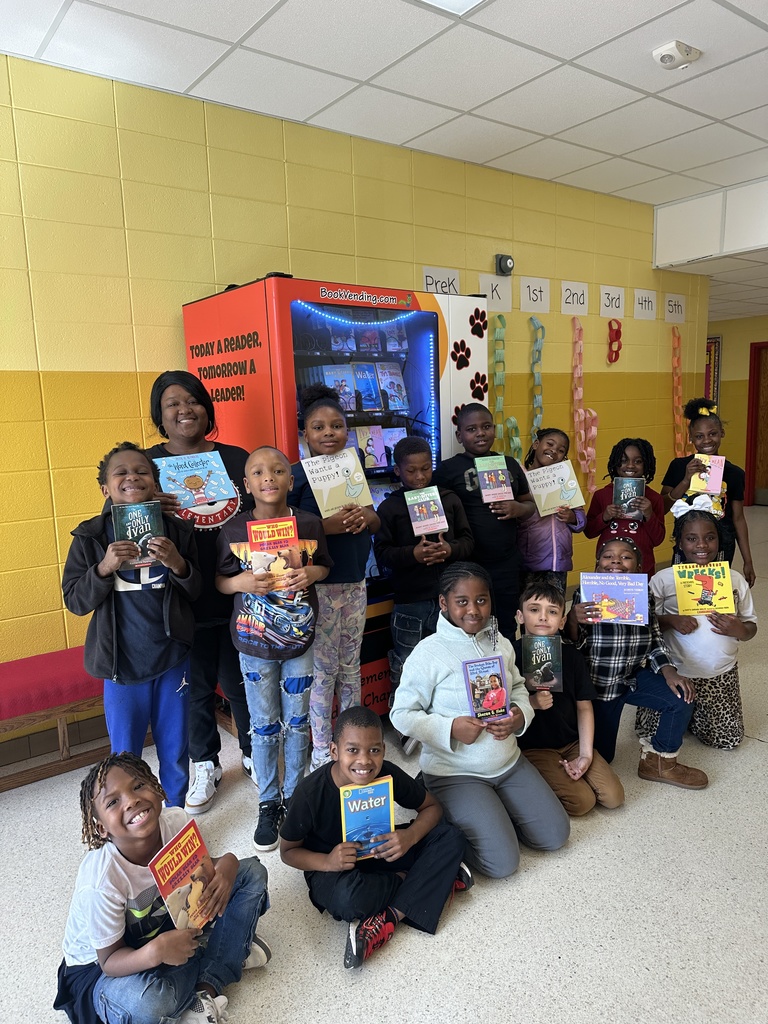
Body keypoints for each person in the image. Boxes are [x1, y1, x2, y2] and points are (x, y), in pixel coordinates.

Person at [54, 753, 270, 1024]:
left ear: (157, 789)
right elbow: (110, 960)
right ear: (101, 829)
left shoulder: (176, 821)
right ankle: (224, 951)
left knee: (251, 873)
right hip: (104, 967)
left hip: (164, 925)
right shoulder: (101, 880)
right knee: (148, 1003)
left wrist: (228, 863)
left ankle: (206, 988)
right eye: (113, 802)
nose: (131, 800)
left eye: (138, 786)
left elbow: (200, 871)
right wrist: (155, 952)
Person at [390, 562, 570, 879]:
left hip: (508, 763)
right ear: (444, 603)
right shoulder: (427, 653)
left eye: (482, 600)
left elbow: (516, 688)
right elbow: (401, 715)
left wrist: (519, 715)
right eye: (462, 601)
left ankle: (491, 811)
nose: (474, 610)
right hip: (455, 772)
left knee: (555, 836)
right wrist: (450, 728)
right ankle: (443, 817)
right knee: (502, 864)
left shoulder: (500, 643)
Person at [62, 442, 200, 808]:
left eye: (142, 471)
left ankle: (175, 817)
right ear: (105, 488)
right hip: (120, 663)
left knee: (174, 748)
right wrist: (104, 568)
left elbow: (197, 589)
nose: (132, 477)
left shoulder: (177, 531)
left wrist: (178, 564)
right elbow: (75, 600)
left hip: (172, 657)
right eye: (120, 472)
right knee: (125, 755)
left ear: (155, 484)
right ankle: (135, 825)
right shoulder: (90, 537)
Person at [279, 706, 470, 969]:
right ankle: (428, 880)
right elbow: (287, 852)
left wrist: (409, 836)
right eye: (352, 750)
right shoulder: (309, 793)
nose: (365, 761)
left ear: (384, 749)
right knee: (349, 900)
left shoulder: (387, 773)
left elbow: (432, 807)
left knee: (451, 837)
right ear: (334, 751)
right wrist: (328, 861)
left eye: (374, 750)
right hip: (334, 868)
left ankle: (390, 917)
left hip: (383, 851)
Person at [146, 370, 255, 814]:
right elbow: (121, 516)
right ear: (160, 416)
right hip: (180, 598)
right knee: (194, 687)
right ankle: (205, 763)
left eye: (192, 400)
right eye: (172, 403)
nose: (183, 409)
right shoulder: (147, 465)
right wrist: (153, 505)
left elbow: (263, 510)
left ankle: (254, 751)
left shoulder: (234, 457)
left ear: (206, 408)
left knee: (244, 680)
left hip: (239, 591)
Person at [216, 446, 333, 851]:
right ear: (247, 485)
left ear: (290, 479)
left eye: (278, 470)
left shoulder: (309, 524)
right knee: (264, 725)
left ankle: (295, 795)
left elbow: (325, 566)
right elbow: (220, 581)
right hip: (253, 643)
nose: (269, 477)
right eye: (259, 472)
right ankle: (268, 801)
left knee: (297, 722)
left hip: (299, 639)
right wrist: (240, 583)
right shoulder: (232, 532)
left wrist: (309, 572)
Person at [567, 537, 708, 790]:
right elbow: (572, 647)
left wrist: (669, 671)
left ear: (639, 568)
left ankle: (660, 762)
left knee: (680, 698)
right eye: (608, 556)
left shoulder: (643, 595)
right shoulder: (584, 594)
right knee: (604, 757)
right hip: (599, 688)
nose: (616, 561)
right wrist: (573, 620)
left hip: (633, 677)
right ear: (598, 566)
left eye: (625, 557)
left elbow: (654, 637)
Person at [288, 385, 380, 770]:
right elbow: (291, 538)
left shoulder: (352, 470)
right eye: (318, 427)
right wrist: (332, 527)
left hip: (355, 584)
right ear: (304, 434)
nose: (329, 433)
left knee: (350, 666)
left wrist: (364, 518)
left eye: (337, 425)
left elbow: (374, 518)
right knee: (323, 671)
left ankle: (356, 744)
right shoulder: (294, 476)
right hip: (320, 587)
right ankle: (324, 750)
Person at [634, 505, 756, 750]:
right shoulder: (663, 579)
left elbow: (751, 627)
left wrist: (739, 629)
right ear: (680, 543)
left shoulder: (734, 579)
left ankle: (695, 717)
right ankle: (686, 714)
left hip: (719, 674)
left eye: (710, 538)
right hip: (675, 673)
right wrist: (670, 620)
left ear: (719, 540)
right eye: (691, 539)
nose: (701, 545)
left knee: (727, 741)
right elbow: (640, 625)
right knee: (651, 734)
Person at [373, 435, 474, 709]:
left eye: (426, 468)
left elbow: (468, 541)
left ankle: (446, 711)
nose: (420, 476)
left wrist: (450, 550)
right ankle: (405, 718)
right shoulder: (390, 508)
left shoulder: (449, 500)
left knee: (451, 658)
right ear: (397, 471)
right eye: (411, 470)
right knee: (407, 660)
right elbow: (382, 554)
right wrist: (412, 554)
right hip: (410, 601)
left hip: (449, 598)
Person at [513, 582, 624, 816]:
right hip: (534, 748)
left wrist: (585, 754)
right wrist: (532, 702)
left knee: (614, 798)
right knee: (581, 803)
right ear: (520, 616)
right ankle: (534, 780)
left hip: (572, 742)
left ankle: (565, 771)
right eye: (534, 610)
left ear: (562, 622)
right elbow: (502, 710)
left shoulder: (572, 657)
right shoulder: (510, 656)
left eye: (552, 611)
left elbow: (584, 707)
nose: (543, 617)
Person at [432, 404, 534, 640]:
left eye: (486, 427)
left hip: (506, 562)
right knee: (471, 624)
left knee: (506, 623)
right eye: (471, 429)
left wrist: (518, 508)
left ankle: (507, 672)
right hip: (468, 562)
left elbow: (529, 504)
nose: (480, 433)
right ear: (459, 436)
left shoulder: (508, 464)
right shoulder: (448, 469)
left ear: (494, 430)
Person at [660, 398, 755, 586]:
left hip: (721, 543)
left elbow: (738, 518)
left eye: (712, 434)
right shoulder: (679, 466)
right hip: (687, 542)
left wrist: (748, 560)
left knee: (715, 593)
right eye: (699, 436)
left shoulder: (734, 473)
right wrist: (686, 479)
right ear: (691, 438)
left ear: (722, 433)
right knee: (683, 592)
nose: (707, 440)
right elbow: (662, 506)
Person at [517, 427, 586, 595]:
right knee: (530, 609)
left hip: (558, 561)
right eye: (550, 444)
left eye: (561, 450)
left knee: (555, 609)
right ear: (536, 444)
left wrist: (572, 518)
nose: (554, 451)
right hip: (530, 560)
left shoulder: (565, 479)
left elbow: (580, 517)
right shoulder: (520, 476)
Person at [585, 437, 666, 577]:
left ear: (647, 465)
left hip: (642, 569)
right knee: (605, 598)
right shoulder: (602, 495)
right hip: (608, 569)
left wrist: (648, 514)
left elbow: (658, 539)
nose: (630, 465)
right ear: (615, 463)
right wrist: (604, 517)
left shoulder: (653, 498)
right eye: (623, 460)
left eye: (638, 461)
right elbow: (589, 532)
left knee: (640, 599)